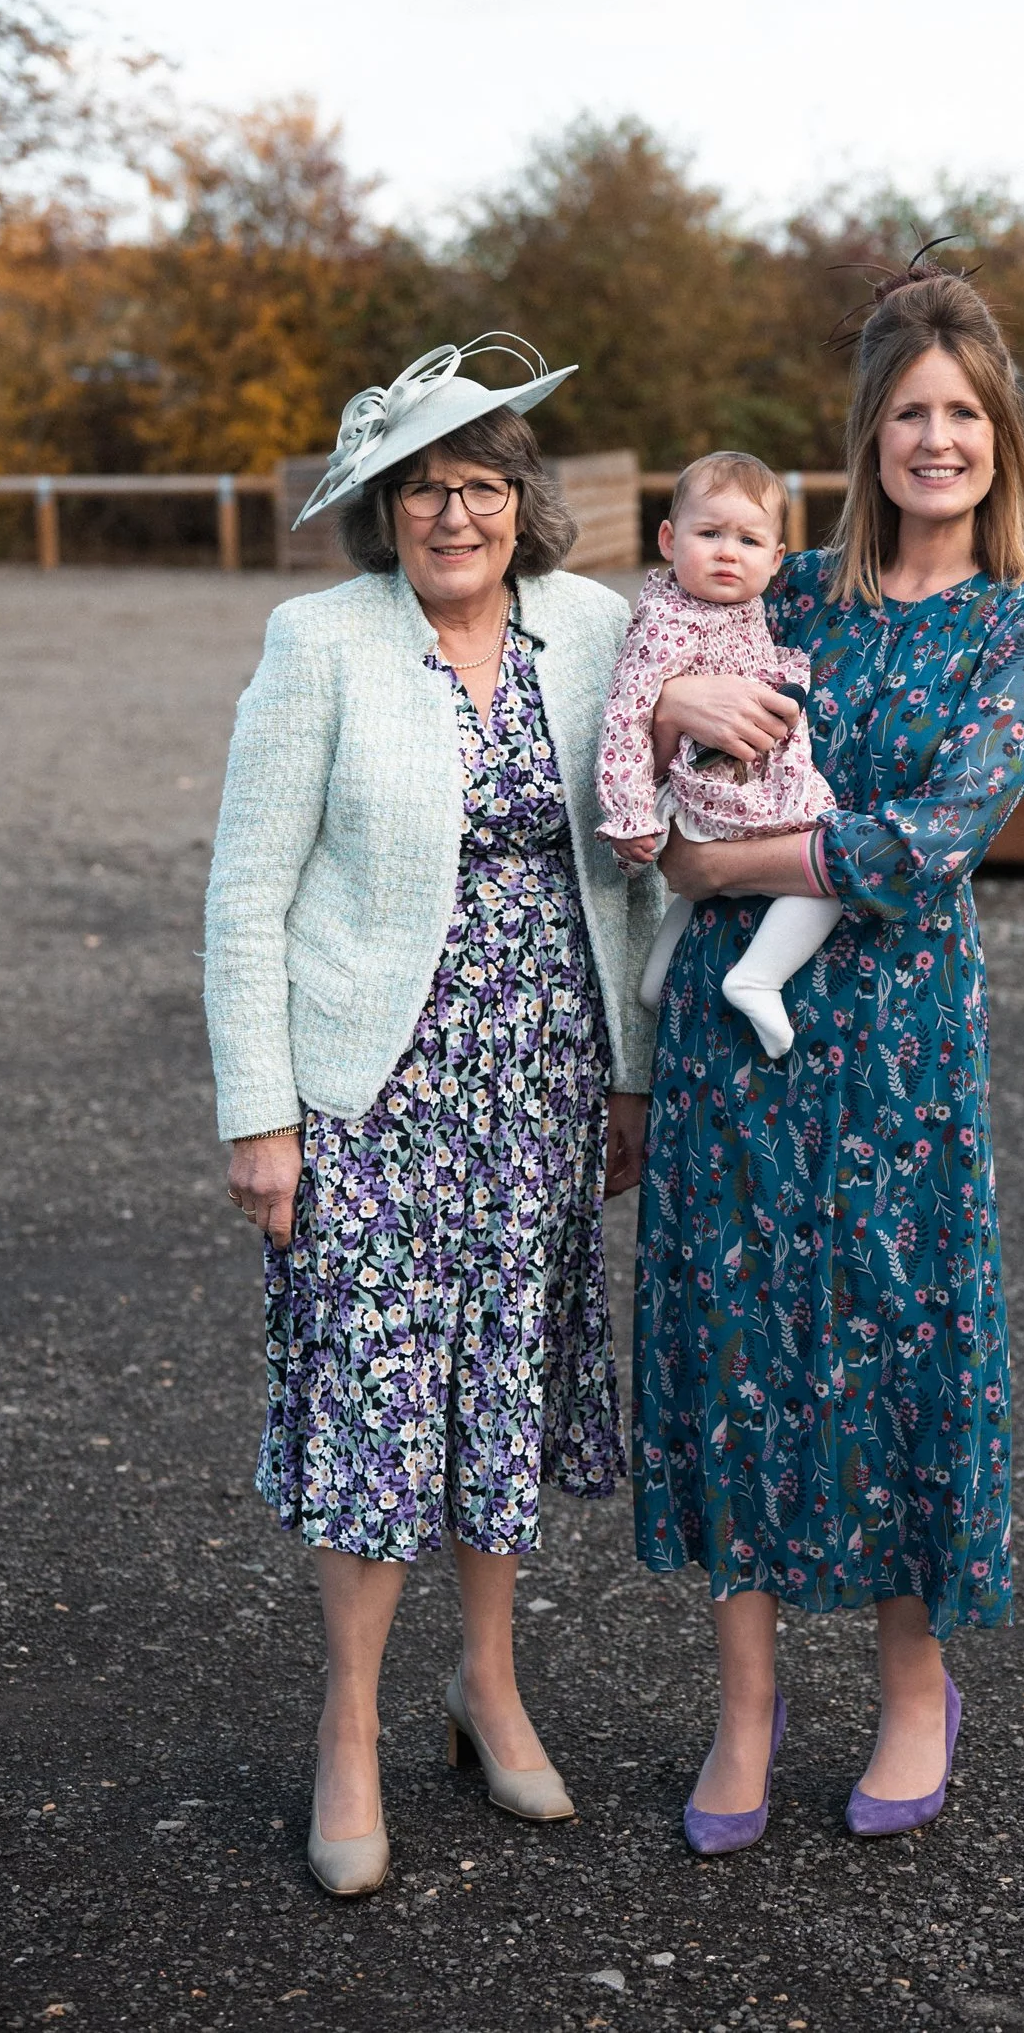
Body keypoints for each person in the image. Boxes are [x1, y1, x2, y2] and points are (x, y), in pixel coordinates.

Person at [205, 337, 663, 1896]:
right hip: (374, 1088)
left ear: (521, 500)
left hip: (539, 1075)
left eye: (476, 485)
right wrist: (258, 1115)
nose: (451, 514)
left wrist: (631, 1071)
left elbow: (629, 860)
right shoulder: (318, 641)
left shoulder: (594, 627)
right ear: (382, 513)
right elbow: (244, 893)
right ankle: (346, 1728)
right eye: (419, 491)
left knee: (505, 1385)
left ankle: (487, 1685)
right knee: (377, 1399)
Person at [632, 265, 1024, 1852]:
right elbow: (639, 699)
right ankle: (741, 1711)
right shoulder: (789, 598)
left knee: (898, 1346)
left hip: (897, 1043)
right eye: (908, 413)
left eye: (961, 413)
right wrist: (677, 690)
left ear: (996, 434)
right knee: (741, 1344)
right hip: (733, 1043)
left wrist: (727, 869)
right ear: (866, 434)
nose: (935, 439)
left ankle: (910, 1688)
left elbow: (927, 841)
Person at [595, 450, 839, 1059]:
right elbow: (625, 717)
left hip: (723, 785)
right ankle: (757, 977)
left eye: (749, 540)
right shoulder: (665, 622)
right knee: (828, 870)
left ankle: (654, 982)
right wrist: (629, 815)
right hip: (708, 787)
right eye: (710, 534)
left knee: (700, 889)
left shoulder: (739, 607)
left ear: (777, 558)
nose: (729, 552)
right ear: (669, 539)